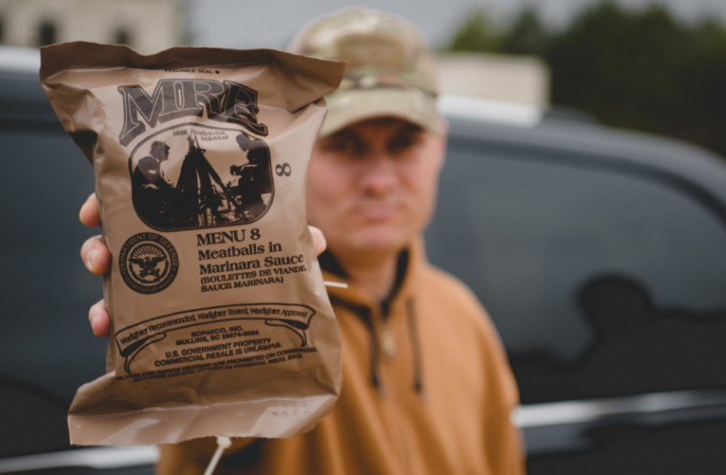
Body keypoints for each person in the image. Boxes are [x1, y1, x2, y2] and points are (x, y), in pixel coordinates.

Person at [80, 8, 525, 475]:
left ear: (440, 146)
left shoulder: (465, 319)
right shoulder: (266, 318)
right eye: (345, 144)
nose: (378, 181)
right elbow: (208, 436)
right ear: (288, 151)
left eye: (403, 143)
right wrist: (199, 329)